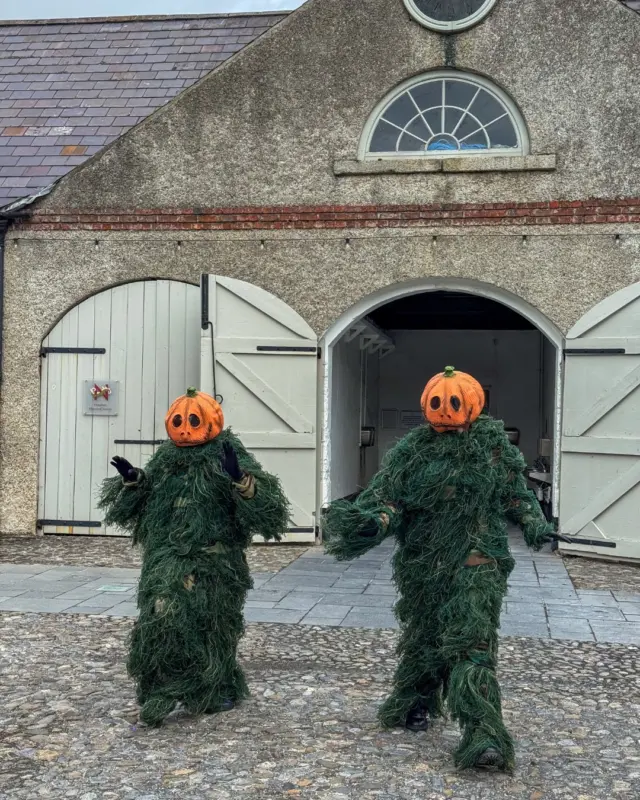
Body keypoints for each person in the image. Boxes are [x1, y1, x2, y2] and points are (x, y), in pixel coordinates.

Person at [322, 367, 556, 771]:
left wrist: (534, 522)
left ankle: (484, 733)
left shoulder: (493, 449)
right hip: (424, 566)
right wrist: (374, 521)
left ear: (473, 404)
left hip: (477, 562)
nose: (445, 410)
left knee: (473, 644)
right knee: (426, 636)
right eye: (437, 402)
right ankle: (418, 699)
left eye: (453, 402)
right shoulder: (412, 453)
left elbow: (515, 495)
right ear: (427, 404)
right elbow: (389, 500)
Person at [99, 387, 289, 726]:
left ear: (210, 421)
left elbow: (268, 512)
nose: (185, 428)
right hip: (168, 557)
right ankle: (161, 688)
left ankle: (216, 687)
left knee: (215, 625)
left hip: (216, 562)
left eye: (192, 421)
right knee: (162, 616)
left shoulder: (227, 453)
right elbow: (147, 498)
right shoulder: (167, 458)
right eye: (178, 421)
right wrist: (134, 480)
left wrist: (240, 480)